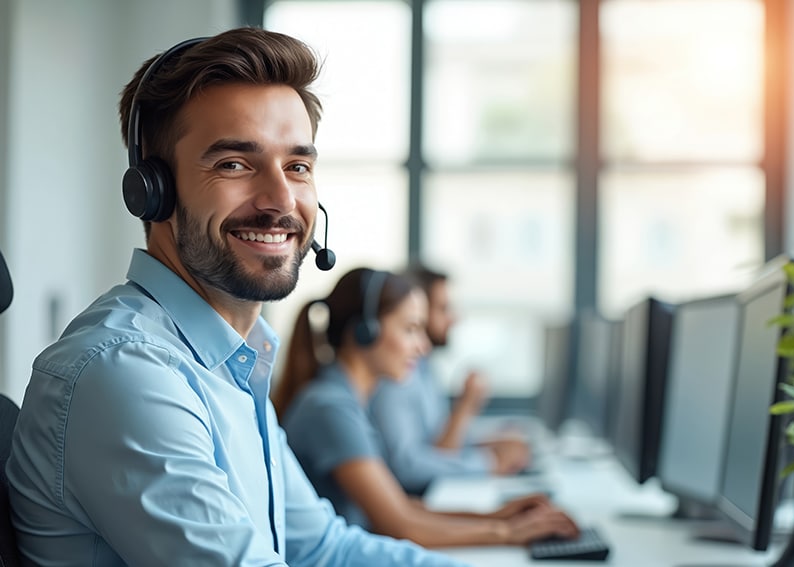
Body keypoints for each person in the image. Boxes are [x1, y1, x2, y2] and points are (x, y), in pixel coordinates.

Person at [5, 28, 469, 567]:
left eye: (297, 167)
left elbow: (323, 548)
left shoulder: (234, 364)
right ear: (151, 190)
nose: (280, 200)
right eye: (233, 164)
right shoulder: (126, 371)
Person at [272, 267, 579, 548]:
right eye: (410, 329)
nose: (423, 346)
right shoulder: (330, 407)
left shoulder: (348, 401)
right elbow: (399, 525)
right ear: (366, 332)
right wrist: (508, 533)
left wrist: (499, 517)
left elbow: (403, 507)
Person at [369, 263, 531, 495]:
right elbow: (410, 466)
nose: (454, 319)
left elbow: (439, 443)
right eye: (444, 309)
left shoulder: (423, 368)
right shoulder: (395, 376)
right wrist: (488, 461)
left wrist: (488, 446)